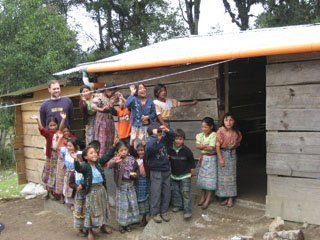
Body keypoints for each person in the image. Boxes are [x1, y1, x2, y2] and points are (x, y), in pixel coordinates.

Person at [73, 138, 117, 240]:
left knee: (102, 209)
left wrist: (114, 146)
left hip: (101, 190)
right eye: (91, 153)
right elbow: (78, 168)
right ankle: (90, 231)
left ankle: (103, 226)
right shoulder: (85, 166)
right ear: (85, 157)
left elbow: (107, 156)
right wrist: (75, 160)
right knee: (90, 211)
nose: (94, 154)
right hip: (91, 192)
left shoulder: (98, 163)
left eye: (95, 153)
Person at [145, 122, 175, 223]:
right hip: (156, 171)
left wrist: (167, 130)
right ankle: (155, 212)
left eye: (160, 133)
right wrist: (154, 137)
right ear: (151, 135)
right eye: (158, 134)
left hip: (166, 169)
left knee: (167, 192)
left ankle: (164, 211)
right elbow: (149, 148)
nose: (160, 136)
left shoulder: (164, 141)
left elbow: (172, 137)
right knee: (156, 192)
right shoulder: (150, 144)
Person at [30, 113, 64, 200]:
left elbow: (63, 130)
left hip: (58, 156)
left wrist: (63, 119)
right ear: (48, 126)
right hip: (50, 156)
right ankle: (49, 192)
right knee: (49, 173)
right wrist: (38, 120)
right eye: (50, 125)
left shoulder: (60, 133)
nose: (52, 127)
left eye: (54, 125)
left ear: (57, 125)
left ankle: (57, 192)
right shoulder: (48, 134)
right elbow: (41, 129)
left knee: (57, 173)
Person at [108, 142, 140, 233]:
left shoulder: (132, 159)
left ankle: (128, 224)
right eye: (121, 150)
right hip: (122, 186)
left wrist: (136, 175)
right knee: (123, 206)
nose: (123, 152)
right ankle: (122, 225)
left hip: (131, 185)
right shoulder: (117, 160)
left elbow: (137, 169)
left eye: (125, 149)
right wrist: (114, 161)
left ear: (128, 150)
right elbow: (110, 165)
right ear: (117, 152)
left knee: (130, 205)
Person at [216, 112, 242, 207]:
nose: (228, 122)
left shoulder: (237, 132)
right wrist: (221, 159)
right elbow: (217, 146)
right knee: (223, 178)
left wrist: (231, 149)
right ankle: (225, 197)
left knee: (231, 177)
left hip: (232, 155)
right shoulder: (221, 131)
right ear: (223, 121)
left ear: (234, 121)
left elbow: (238, 143)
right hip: (222, 154)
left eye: (231, 120)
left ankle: (230, 198)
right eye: (226, 120)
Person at [169, 129, 196, 219]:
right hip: (174, 175)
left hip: (185, 174)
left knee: (186, 192)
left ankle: (187, 210)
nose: (178, 141)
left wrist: (192, 169)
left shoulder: (186, 150)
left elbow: (192, 161)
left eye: (180, 139)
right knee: (175, 191)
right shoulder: (170, 149)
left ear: (183, 140)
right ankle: (178, 205)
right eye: (176, 139)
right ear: (173, 139)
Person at [129, 131, 150, 227]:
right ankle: (137, 217)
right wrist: (132, 140)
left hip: (145, 181)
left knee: (144, 199)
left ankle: (144, 218)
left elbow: (147, 150)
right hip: (137, 181)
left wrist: (142, 140)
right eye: (139, 150)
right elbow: (131, 150)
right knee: (137, 198)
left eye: (142, 150)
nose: (141, 152)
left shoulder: (146, 158)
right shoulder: (135, 158)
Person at [196, 117, 217, 210]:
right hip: (203, 159)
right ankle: (202, 197)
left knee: (210, 180)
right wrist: (205, 146)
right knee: (203, 179)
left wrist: (202, 146)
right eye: (202, 127)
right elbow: (197, 146)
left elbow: (212, 148)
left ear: (211, 127)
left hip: (212, 159)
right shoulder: (199, 135)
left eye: (206, 127)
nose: (203, 129)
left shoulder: (214, 135)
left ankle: (208, 200)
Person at [92, 82, 117, 154]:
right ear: (106, 90)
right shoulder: (99, 96)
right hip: (102, 119)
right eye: (112, 92)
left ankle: (109, 155)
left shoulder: (112, 97)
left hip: (109, 119)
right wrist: (101, 109)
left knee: (110, 138)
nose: (113, 94)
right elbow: (93, 106)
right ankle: (101, 155)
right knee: (102, 139)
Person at [59, 137, 80, 207]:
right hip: (68, 174)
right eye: (67, 146)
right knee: (69, 188)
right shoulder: (66, 153)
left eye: (70, 146)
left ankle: (77, 203)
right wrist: (60, 138)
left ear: (76, 146)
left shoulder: (80, 154)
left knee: (76, 188)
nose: (68, 147)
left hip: (76, 174)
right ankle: (71, 204)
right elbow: (57, 148)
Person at [69, 154, 87, 237]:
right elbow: (71, 183)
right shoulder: (74, 173)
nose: (81, 165)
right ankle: (80, 229)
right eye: (79, 163)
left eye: (82, 162)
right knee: (79, 212)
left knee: (87, 211)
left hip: (87, 194)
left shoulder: (87, 172)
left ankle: (88, 228)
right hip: (79, 195)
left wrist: (84, 186)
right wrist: (77, 187)